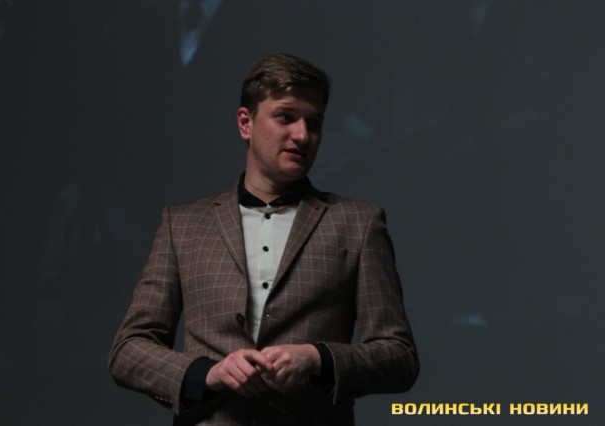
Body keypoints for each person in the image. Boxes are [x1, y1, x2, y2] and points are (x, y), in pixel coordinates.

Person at [109, 53, 419, 425]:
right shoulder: (183, 224)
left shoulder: (360, 223)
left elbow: (399, 356)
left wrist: (318, 358)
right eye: (286, 117)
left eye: (314, 123)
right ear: (246, 123)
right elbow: (128, 350)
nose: (302, 135)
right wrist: (208, 373)